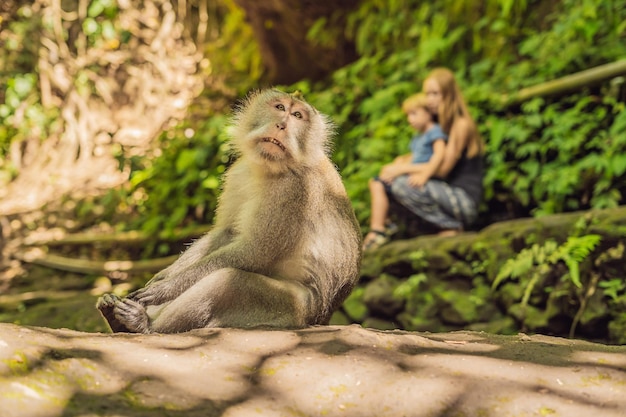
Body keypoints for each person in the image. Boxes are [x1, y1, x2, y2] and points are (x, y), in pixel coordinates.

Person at [389, 67, 484, 241]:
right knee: (390, 182)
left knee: (402, 185)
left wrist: (402, 169)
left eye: (435, 94)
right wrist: (399, 164)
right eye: (427, 94)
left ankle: (452, 226)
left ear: (448, 94)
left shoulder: (460, 125)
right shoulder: (437, 126)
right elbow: (423, 157)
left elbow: (442, 170)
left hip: (462, 200)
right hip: (444, 193)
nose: (429, 100)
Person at [363, 92, 448, 251]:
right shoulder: (418, 137)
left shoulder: (435, 131)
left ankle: (379, 229)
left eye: (414, 114)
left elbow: (439, 155)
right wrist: (401, 161)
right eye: (408, 115)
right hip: (413, 174)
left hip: (424, 178)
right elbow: (416, 156)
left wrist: (426, 174)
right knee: (377, 182)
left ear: (428, 112)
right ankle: (385, 223)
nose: (410, 119)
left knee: (377, 183)